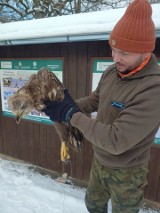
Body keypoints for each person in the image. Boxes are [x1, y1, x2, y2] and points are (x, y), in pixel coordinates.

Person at [43, 0, 160, 212]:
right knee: (93, 205)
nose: (116, 58)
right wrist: (61, 108)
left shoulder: (153, 89)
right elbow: (95, 101)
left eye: (124, 53)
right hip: (100, 160)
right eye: (113, 49)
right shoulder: (112, 72)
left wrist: (71, 115)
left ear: (145, 52)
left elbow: (116, 140)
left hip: (128, 170)